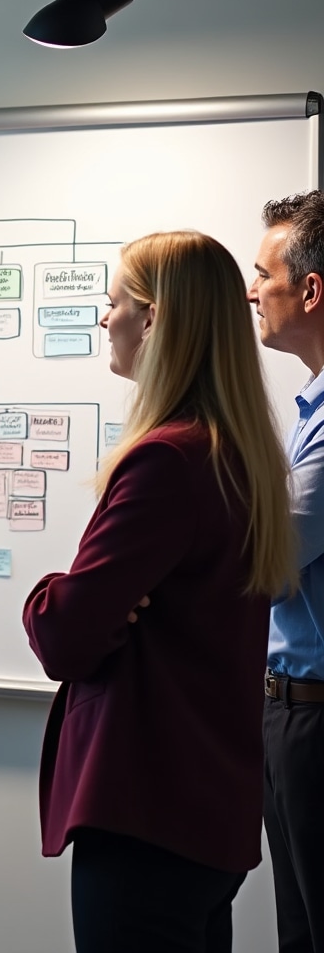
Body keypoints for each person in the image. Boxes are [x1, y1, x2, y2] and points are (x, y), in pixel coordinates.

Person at [22, 231, 296, 953]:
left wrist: (51, 589)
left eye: (112, 303)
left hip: (147, 808)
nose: (103, 319)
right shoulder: (237, 450)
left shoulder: (166, 461)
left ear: (152, 319)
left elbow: (66, 635)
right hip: (207, 810)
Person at [248, 189, 324, 953]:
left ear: (310, 289)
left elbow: (265, 568)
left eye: (260, 274)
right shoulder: (309, 410)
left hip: (315, 722)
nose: (249, 292)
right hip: (287, 712)